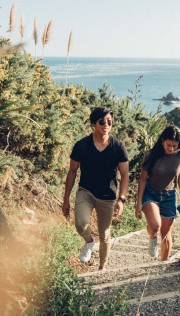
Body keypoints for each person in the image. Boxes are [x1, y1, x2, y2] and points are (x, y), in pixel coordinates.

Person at [62, 106, 129, 271]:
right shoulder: (82, 145)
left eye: (109, 121)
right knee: (81, 224)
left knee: (105, 234)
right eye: (102, 121)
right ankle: (90, 241)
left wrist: (121, 199)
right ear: (93, 123)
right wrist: (66, 200)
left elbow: (125, 175)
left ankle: (102, 267)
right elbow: (72, 172)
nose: (106, 124)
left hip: (108, 196)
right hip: (86, 191)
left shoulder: (118, 147)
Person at [135, 125, 180, 261]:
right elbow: (143, 178)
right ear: (162, 140)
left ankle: (163, 264)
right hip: (150, 193)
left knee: (166, 234)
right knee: (155, 225)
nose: (171, 149)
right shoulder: (151, 155)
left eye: (175, 146)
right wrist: (138, 203)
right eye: (169, 145)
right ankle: (152, 237)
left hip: (169, 196)